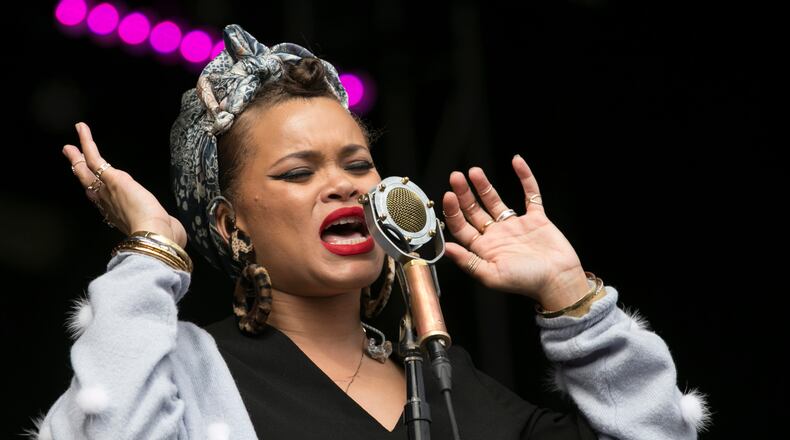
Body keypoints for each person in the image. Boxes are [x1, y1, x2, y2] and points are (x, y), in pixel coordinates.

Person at [26, 23, 710, 440]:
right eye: (298, 172)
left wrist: (572, 299)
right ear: (232, 224)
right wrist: (150, 249)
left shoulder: (449, 384)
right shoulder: (188, 375)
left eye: (358, 163)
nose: (345, 183)